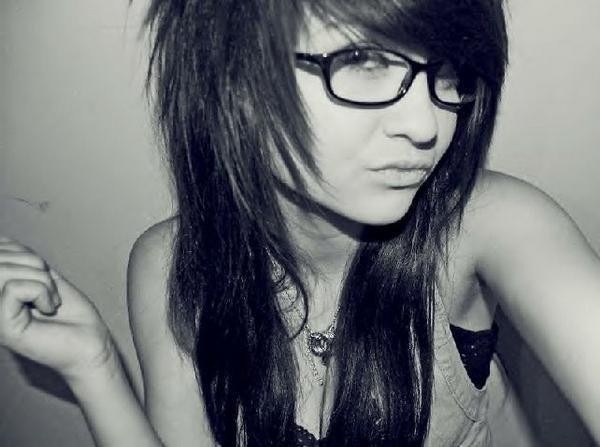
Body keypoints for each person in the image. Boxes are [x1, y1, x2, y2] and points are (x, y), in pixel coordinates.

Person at [1, 0, 599, 445]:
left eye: (450, 74)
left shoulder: (491, 223)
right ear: (231, 76)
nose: (427, 124)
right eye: (363, 59)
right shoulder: (172, 263)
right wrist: (93, 365)